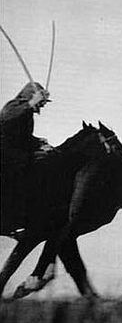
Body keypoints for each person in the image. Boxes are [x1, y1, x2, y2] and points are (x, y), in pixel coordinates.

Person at [0, 82, 52, 237]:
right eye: (41, 102)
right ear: (31, 96)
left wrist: (38, 142)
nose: (42, 105)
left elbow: (24, 138)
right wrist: (30, 103)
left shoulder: (28, 113)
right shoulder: (13, 106)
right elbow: (6, 118)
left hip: (16, 153)